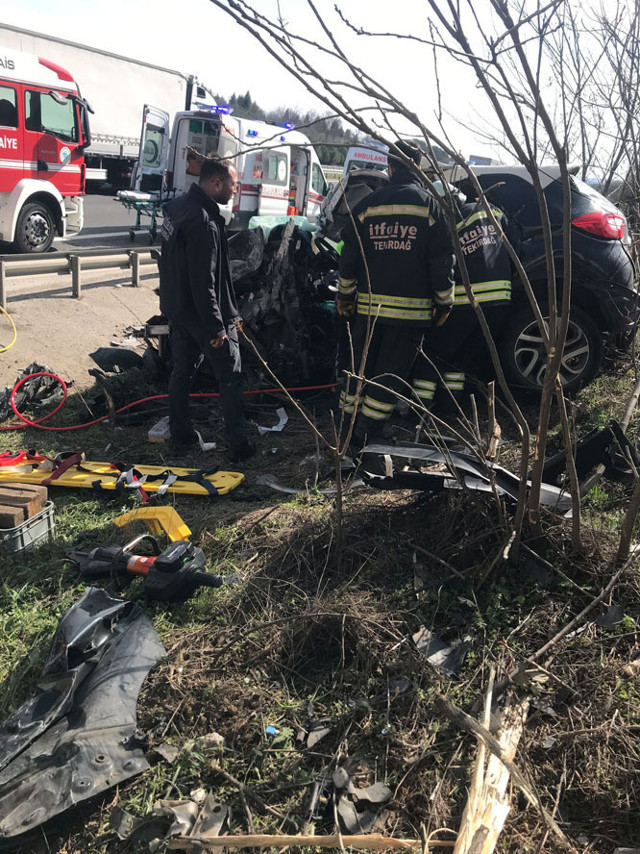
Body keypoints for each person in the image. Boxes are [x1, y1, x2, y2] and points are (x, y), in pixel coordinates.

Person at [336, 140, 455, 448]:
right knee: (388, 375)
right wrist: (445, 303)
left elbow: (349, 257)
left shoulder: (367, 205)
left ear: (389, 167)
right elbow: (441, 262)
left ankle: (346, 425)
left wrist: (345, 297)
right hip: (409, 316)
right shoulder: (429, 206)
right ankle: (367, 431)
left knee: (359, 368)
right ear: (417, 168)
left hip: (368, 311)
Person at [159, 158, 255, 462]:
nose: (235, 190)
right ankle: (239, 446)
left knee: (182, 373)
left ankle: (181, 437)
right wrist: (217, 327)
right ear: (216, 183)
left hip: (179, 311)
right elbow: (204, 281)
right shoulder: (203, 222)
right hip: (205, 316)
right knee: (230, 377)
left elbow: (169, 263)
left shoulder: (177, 209)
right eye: (232, 184)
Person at [412, 182, 517, 408]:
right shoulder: (492, 211)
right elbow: (515, 244)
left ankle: (419, 407)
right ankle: (449, 405)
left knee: (433, 353)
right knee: (460, 357)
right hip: (500, 300)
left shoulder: (448, 225)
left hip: (465, 301)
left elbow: (440, 264)